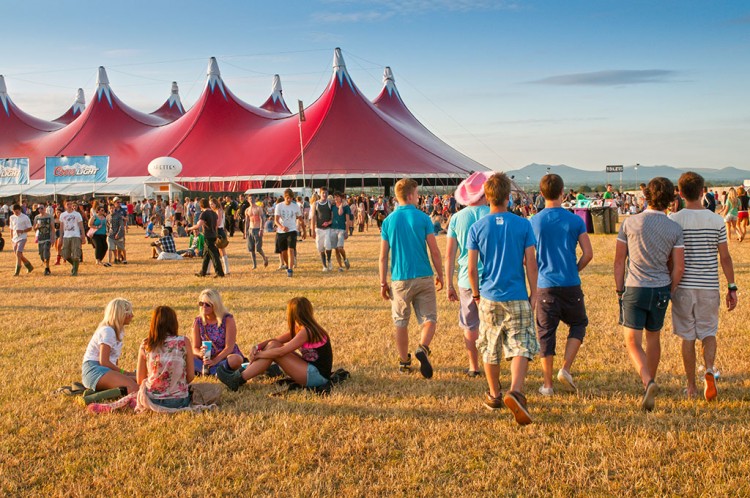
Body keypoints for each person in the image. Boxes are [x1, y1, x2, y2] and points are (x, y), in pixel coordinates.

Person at [467, 172, 538, 425]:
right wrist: (535, 293)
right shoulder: (523, 225)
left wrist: (475, 294)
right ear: (509, 197)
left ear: (486, 197)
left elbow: (472, 268)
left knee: (490, 346)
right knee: (522, 343)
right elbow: (531, 263)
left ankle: (495, 394)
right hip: (517, 293)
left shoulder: (477, 227)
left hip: (488, 294)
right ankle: (516, 391)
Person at [614, 177, 684, 412]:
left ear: (645, 197)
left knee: (632, 341)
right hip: (661, 287)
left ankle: (648, 381)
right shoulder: (675, 228)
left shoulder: (630, 223)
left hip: (635, 286)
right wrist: (671, 288)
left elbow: (619, 261)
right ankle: (649, 384)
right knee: (653, 337)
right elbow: (679, 266)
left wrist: (618, 289)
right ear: (670, 199)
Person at [670, 172, 737, 401]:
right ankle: (709, 369)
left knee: (687, 336)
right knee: (709, 332)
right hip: (708, 286)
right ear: (702, 192)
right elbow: (725, 258)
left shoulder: (674, 220)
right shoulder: (716, 220)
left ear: (680, 193)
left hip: (683, 287)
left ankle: (691, 386)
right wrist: (732, 286)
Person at [530, 174, 593, 396]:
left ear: (541, 194)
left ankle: (547, 384)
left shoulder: (534, 222)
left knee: (546, 334)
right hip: (570, 283)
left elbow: (527, 257)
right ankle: (565, 368)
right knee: (578, 323)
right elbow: (588, 254)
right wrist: (574, 268)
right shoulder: (575, 220)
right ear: (562, 192)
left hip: (545, 284)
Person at [379, 178, 444, 378]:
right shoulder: (423, 218)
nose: (418, 197)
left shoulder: (389, 221)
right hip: (423, 275)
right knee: (429, 318)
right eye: (417, 194)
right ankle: (423, 347)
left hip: (400, 278)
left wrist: (383, 282)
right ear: (410, 195)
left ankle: (404, 361)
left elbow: (383, 256)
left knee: (400, 321)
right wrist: (441, 274)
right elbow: (434, 250)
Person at [217, 297, 332, 391]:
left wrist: (259, 355)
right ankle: (239, 376)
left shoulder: (307, 332)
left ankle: (237, 379)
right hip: (311, 370)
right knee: (273, 344)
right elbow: (276, 341)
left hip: (318, 377)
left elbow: (282, 351)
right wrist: (257, 347)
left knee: (276, 352)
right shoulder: (302, 328)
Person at [445, 172, 491, 378]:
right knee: (492, 323)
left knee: (470, 324)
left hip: (465, 278)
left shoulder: (457, 218)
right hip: (491, 277)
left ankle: (474, 366)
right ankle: (492, 362)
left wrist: (448, 284)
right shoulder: (492, 214)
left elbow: (450, 254)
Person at [137, 306, 194, 408]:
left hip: (152, 400)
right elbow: (190, 376)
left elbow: (140, 379)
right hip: (179, 400)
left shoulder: (146, 344)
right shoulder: (183, 342)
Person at [81, 298, 138, 393]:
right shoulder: (108, 331)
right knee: (134, 387)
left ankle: (107, 391)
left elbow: (113, 360)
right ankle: (92, 397)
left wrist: (125, 376)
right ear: (120, 315)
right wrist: (126, 373)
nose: (132, 315)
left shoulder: (118, 332)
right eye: (129, 312)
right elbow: (104, 361)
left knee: (139, 381)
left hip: (103, 370)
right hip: (94, 370)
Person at [192, 289, 243, 375]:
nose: (204, 306)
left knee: (236, 359)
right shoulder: (198, 321)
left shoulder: (227, 319)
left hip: (224, 358)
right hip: (206, 359)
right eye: (201, 303)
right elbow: (195, 347)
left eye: (207, 304)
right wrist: (200, 353)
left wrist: (215, 361)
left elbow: (229, 347)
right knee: (184, 356)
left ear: (215, 305)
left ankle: (208, 371)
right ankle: (214, 371)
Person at [191, 198, 224, 278]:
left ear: (201, 205)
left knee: (214, 256)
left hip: (208, 236)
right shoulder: (213, 213)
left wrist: (189, 228)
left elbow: (198, 225)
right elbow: (216, 224)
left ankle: (220, 273)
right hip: (213, 235)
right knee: (206, 255)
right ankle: (203, 272)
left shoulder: (204, 213)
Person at [274, 188, 302, 278]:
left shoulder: (295, 206)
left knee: (291, 249)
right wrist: (281, 227)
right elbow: (276, 220)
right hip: (281, 232)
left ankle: (290, 269)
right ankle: (287, 265)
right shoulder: (279, 206)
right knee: (284, 252)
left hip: (292, 230)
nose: (289, 200)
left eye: (291, 198)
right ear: (284, 197)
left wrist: (305, 231)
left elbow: (300, 219)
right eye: (287, 198)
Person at [60, 200, 86, 276]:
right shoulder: (62, 215)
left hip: (75, 236)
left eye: (71, 204)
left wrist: (83, 236)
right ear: (65, 205)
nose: (69, 205)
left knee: (76, 254)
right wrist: (61, 237)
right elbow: (61, 227)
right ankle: (75, 265)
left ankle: (75, 271)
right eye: (68, 204)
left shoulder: (77, 214)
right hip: (66, 236)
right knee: (65, 255)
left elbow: (81, 226)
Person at [311, 187, 334, 272]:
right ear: (320, 194)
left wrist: (328, 222)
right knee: (320, 248)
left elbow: (333, 217)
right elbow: (313, 217)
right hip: (319, 229)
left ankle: (329, 260)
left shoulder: (329, 203)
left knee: (328, 246)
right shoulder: (315, 204)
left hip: (328, 229)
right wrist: (312, 230)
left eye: (326, 193)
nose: (324, 194)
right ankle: (324, 265)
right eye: (323, 193)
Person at [9, 204, 33, 276]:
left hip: (22, 238)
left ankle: (17, 271)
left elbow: (30, 228)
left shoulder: (25, 217)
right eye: (14, 212)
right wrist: (11, 238)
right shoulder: (12, 217)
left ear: (19, 210)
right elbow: (11, 228)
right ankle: (29, 266)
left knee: (18, 253)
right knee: (18, 255)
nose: (15, 213)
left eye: (16, 212)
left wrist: (22, 231)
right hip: (14, 238)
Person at [245, 198, 269, 269]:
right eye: (249, 199)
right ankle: (254, 265)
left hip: (257, 228)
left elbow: (262, 219)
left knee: (258, 248)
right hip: (250, 229)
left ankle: (265, 258)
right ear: (248, 200)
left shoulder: (259, 208)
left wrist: (261, 229)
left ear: (255, 199)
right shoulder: (247, 210)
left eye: (252, 199)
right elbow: (247, 221)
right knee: (251, 248)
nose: (251, 200)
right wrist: (245, 231)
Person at [330, 192, 351, 271]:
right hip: (333, 228)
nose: (336, 199)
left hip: (341, 229)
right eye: (335, 197)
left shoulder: (346, 207)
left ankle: (345, 259)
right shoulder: (333, 207)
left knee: (340, 247)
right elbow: (332, 217)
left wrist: (346, 231)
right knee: (336, 249)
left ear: (341, 198)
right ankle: (340, 266)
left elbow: (348, 220)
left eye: (337, 197)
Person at [33, 205, 56, 276]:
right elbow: (34, 228)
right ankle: (47, 266)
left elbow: (52, 228)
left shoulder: (49, 217)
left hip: (48, 237)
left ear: (45, 209)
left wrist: (53, 237)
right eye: (38, 209)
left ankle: (46, 268)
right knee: (41, 254)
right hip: (40, 237)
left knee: (46, 250)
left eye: (41, 208)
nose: (40, 210)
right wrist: (36, 227)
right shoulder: (37, 217)